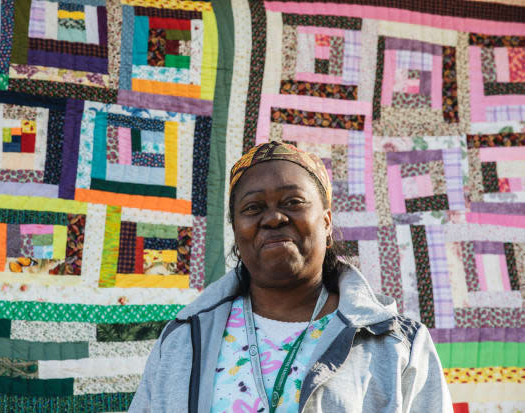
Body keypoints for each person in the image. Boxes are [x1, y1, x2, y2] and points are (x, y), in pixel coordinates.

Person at [129, 141, 452, 412]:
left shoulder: (397, 343)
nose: (273, 218)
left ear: (326, 222)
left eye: (293, 202)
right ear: (236, 231)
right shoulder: (183, 339)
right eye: (253, 208)